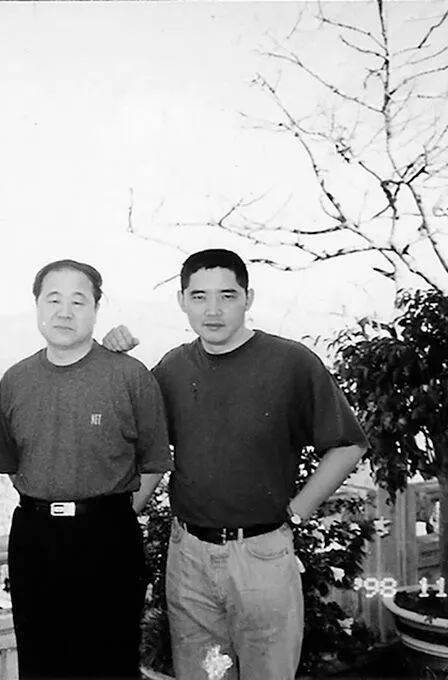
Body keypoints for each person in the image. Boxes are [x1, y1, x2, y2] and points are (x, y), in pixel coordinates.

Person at [103, 248, 369, 680]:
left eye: (227, 296)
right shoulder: (173, 366)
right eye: (199, 296)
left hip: (262, 555)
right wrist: (109, 357)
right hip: (188, 556)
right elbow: (128, 434)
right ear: (182, 301)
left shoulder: (290, 362)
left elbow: (348, 444)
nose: (213, 310)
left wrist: (297, 511)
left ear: (248, 298)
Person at [0, 259, 172, 680]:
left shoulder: (129, 375)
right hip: (35, 537)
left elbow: (153, 461)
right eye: (53, 300)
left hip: (108, 536)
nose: (65, 312)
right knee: (40, 663)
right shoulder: (15, 380)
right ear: (37, 306)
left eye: (78, 301)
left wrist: (116, 514)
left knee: (110, 663)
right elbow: (9, 462)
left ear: (96, 308)